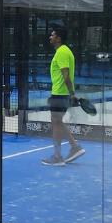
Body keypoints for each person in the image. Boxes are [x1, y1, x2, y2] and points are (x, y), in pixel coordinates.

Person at [42, 26, 85, 166]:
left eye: (53, 35)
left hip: (60, 94)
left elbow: (66, 76)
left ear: (58, 38)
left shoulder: (62, 52)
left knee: (56, 122)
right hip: (60, 93)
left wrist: (72, 94)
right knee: (57, 121)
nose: (50, 37)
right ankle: (74, 147)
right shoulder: (64, 51)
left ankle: (58, 156)